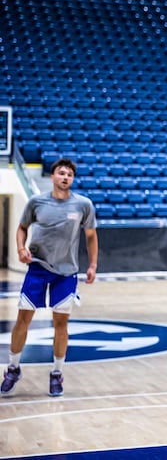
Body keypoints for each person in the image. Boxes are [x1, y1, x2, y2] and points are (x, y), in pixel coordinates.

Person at [1, 158, 98, 397]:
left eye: (69, 175)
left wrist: (93, 264)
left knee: (61, 324)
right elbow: (22, 227)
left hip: (66, 273)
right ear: (53, 176)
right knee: (23, 320)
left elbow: (91, 236)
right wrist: (21, 248)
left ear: (72, 179)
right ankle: (13, 368)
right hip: (37, 268)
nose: (65, 177)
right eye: (61, 173)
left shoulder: (83, 205)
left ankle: (56, 373)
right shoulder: (36, 202)